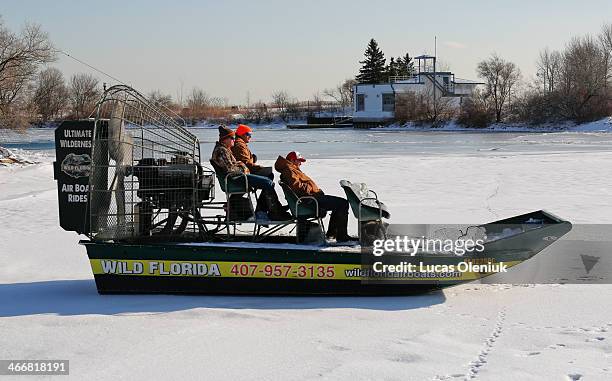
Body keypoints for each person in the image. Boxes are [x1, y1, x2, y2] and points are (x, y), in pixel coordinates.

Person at [211, 126, 290, 221]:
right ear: (225, 139)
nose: (234, 140)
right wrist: (243, 167)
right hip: (236, 179)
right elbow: (231, 169)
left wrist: (241, 165)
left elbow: (235, 165)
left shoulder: (224, 149)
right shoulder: (221, 150)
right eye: (232, 138)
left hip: (238, 177)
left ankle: (273, 210)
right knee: (268, 182)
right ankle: (274, 212)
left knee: (268, 180)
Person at [274, 151, 354, 242]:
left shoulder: (292, 168)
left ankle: (333, 234)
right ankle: (341, 236)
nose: (300, 163)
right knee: (342, 203)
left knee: (340, 203)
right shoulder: (289, 170)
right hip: (310, 200)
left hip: (312, 198)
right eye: (299, 161)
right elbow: (297, 186)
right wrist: (311, 188)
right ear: (292, 160)